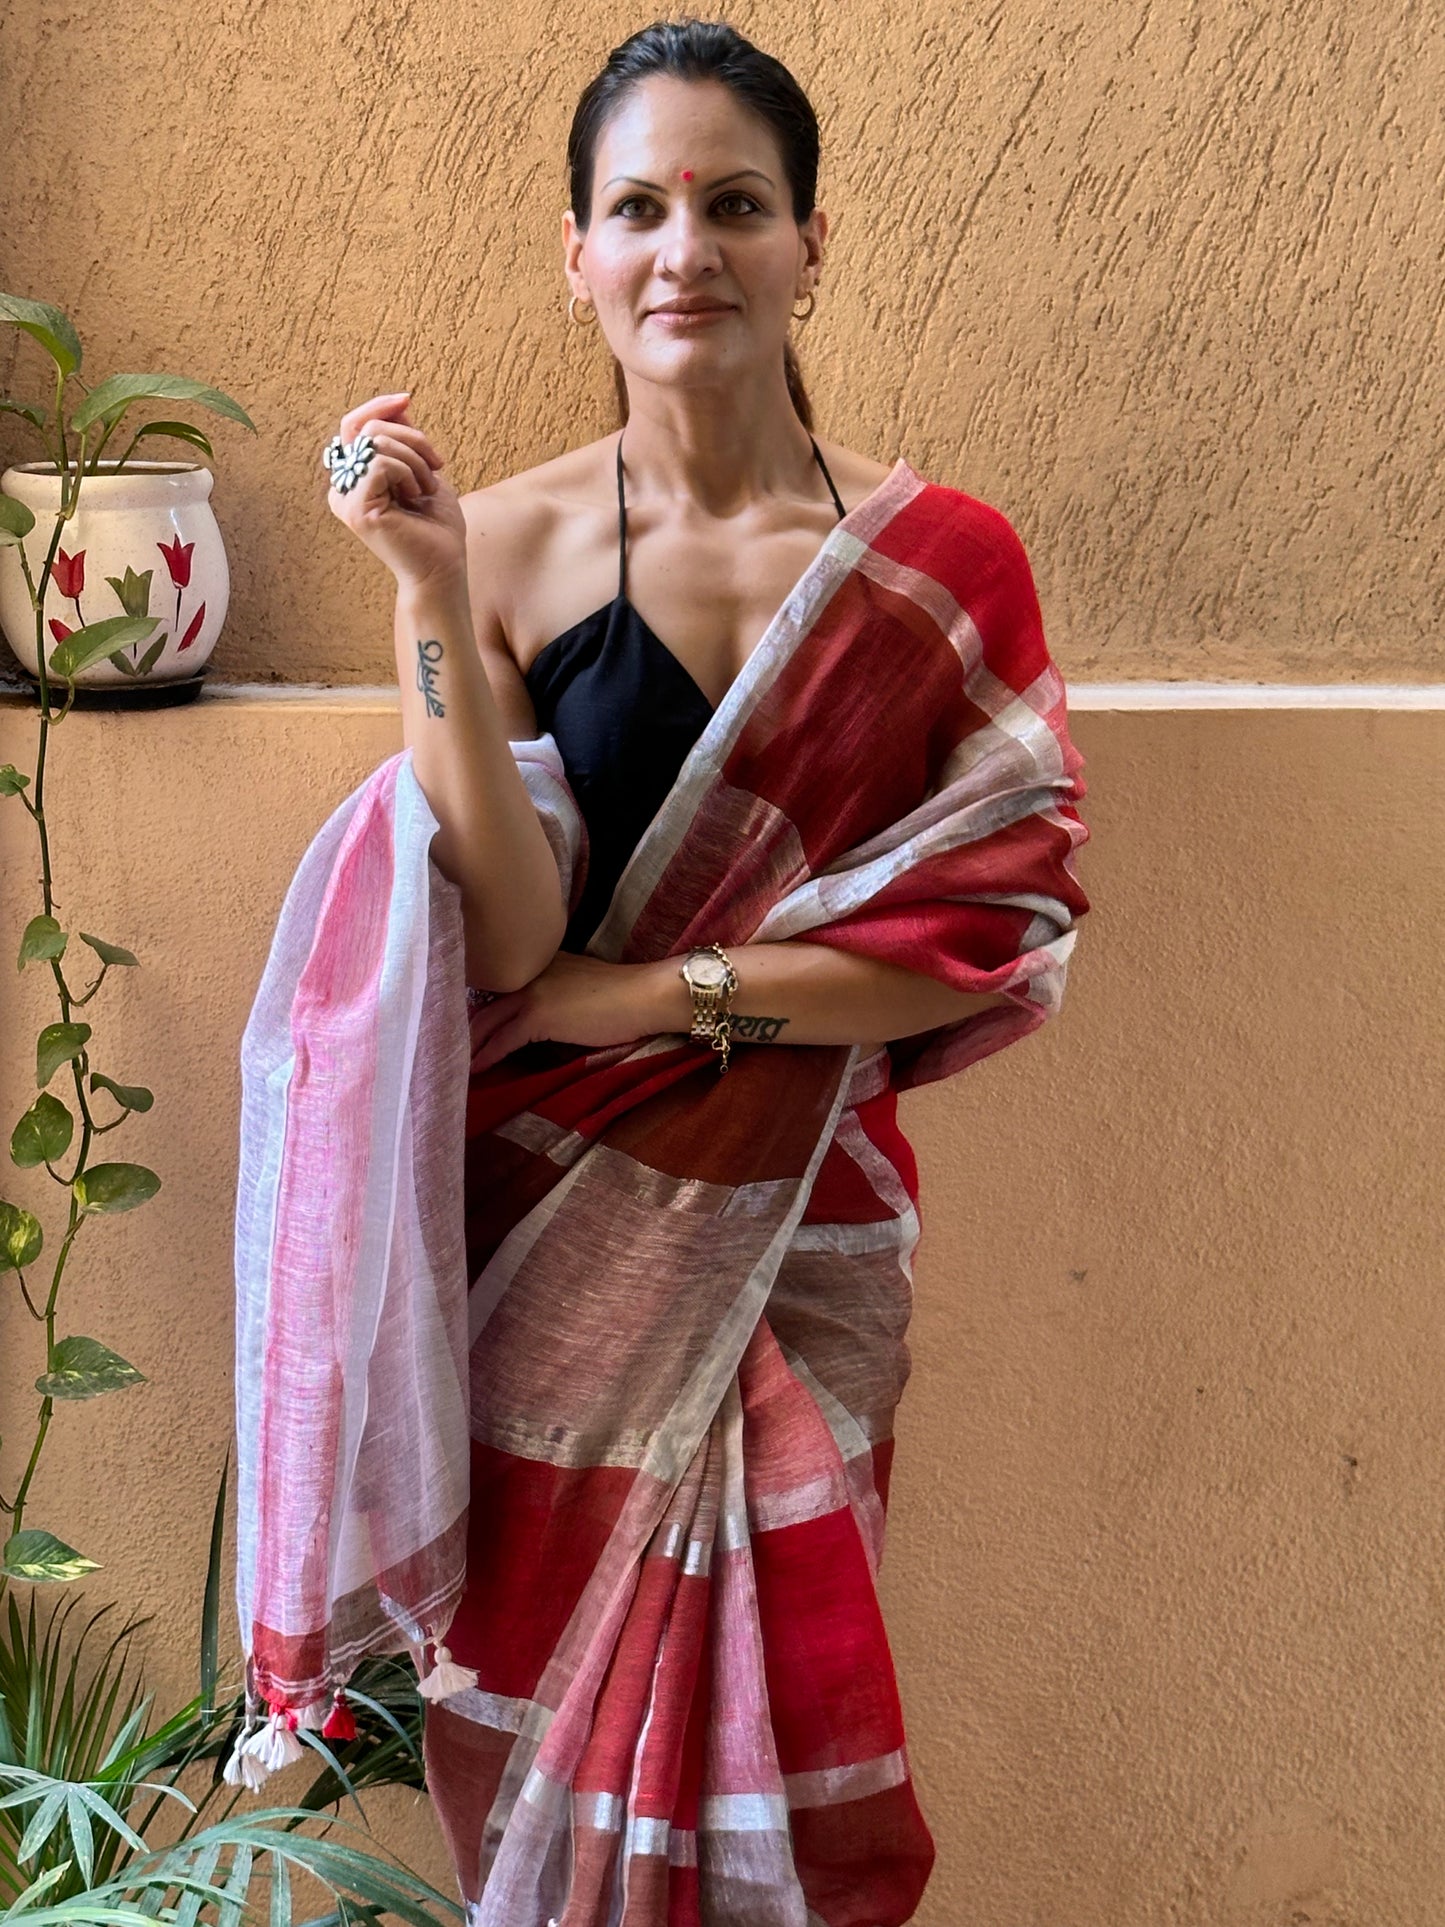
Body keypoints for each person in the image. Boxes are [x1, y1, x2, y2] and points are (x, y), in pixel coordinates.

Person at [229, 19, 1092, 1927]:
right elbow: (515, 927)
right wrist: (429, 593)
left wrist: (660, 1001)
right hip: (544, 1240)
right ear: (577, 254)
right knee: (542, 1728)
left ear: (808, 245)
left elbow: (978, 933)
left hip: (800, 1229)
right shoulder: (512, 544)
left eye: (734, 204)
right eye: (639, 207)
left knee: (774, 1701)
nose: (685, 247)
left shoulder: (939, 567)